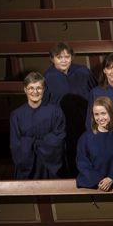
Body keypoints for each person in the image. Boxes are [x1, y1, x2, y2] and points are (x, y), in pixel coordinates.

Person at [43, 42, 95, 176]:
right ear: (52, 59)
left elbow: (95, 93)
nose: (64, 60)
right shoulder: (48, 77)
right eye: (59, 57)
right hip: (61, 125)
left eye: (67, 56)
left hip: (83, 122)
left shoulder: (83, 72)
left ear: (72, 57)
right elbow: (45, 103)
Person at [10, 72, 66, 179]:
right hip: (26, 164)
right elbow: (15, 144)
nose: (35, 92)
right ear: (25, 89)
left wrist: (31, 143)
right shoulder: (16, 115)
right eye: (31, 88)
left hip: (49, 165)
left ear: (44, 89)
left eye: (39, 88)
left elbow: (59, 138)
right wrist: (37, 144)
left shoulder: (56, 111)